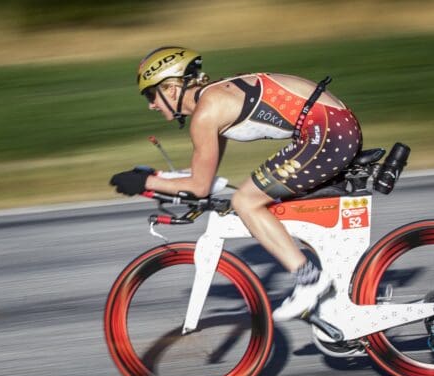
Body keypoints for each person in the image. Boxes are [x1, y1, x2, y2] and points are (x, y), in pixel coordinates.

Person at [110, 46, 363, 321]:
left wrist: (144, 181)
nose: (151, 105)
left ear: (170, 88)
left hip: (327, 133)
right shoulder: (213, 100)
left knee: (246, 201)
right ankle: (340, 300)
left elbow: (199, 187)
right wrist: (158, 178)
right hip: (330, 126)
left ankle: (310, 280)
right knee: (277, 206)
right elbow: (203, 175)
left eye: (151, 95)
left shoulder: (207, 113)